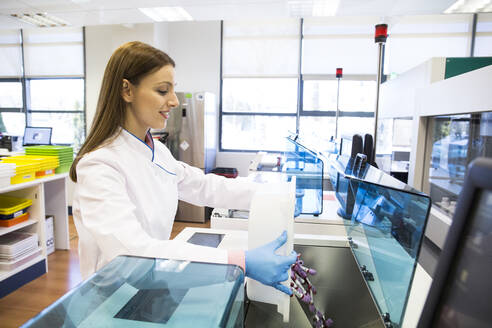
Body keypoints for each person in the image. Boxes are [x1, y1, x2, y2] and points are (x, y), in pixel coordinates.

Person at [70, 41, 296, 295]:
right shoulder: (99, 164)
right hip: (113, 296)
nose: (175, 101)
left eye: (173, 90)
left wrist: (269, 195)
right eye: (162, 90)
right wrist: (240, 261)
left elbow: (203, 186)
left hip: (150, 283)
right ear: (127, 90)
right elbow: (132, 250)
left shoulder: (156, 150)